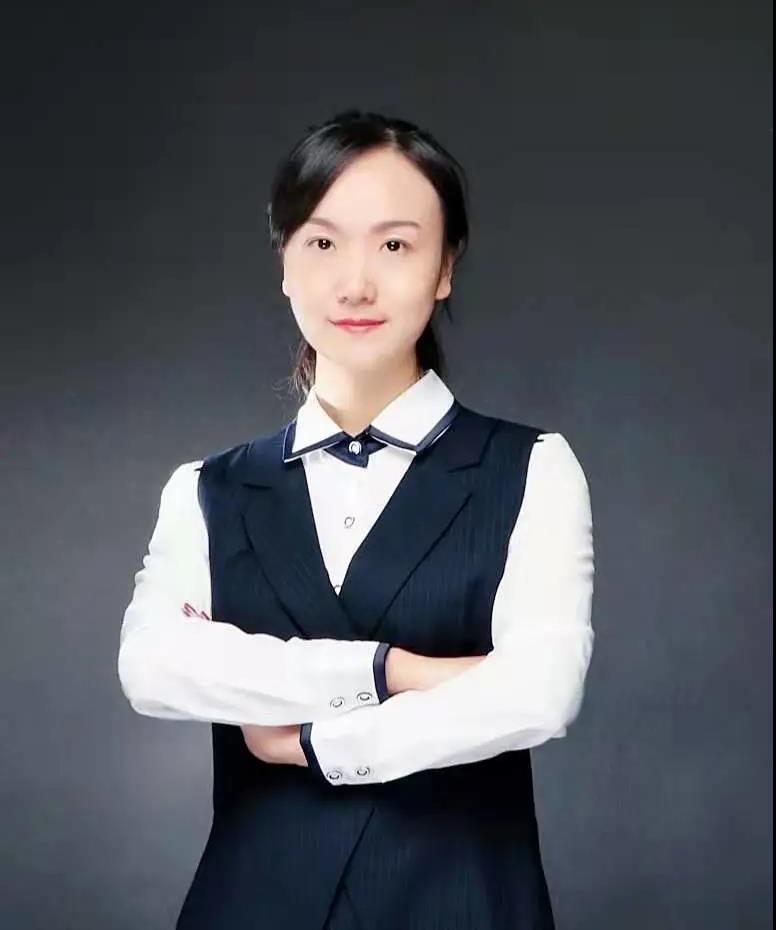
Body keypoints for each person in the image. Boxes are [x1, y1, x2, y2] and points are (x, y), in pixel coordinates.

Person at [118, 108, 595, 930]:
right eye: (322, 243)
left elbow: (539, 694)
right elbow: (154, 669)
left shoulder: (532, 467)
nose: (356, 283)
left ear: (445, 267)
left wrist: (315, 743)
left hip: (465, 907)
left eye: (396, 245)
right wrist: (391, 670)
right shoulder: (207, 489)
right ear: (284, 264)